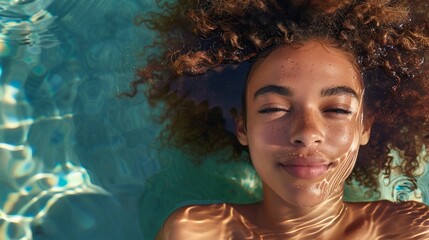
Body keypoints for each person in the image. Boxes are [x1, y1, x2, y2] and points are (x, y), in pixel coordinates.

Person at [130, 0, 429, 239]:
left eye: (336, 109)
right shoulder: (193, 232)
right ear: (242, 126)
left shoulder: (411, 231)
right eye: (274, 108)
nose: (307, 132)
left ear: (364, 126)